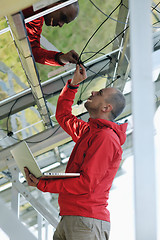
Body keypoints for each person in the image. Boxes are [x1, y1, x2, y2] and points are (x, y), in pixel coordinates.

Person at [24, 64, 128, 240]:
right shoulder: (90, 132)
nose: (93, 93)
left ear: (106, 108)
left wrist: (44, 184)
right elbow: (63, 116)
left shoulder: (106, 139)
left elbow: (86, 183)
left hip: (86, 221)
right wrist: (73, 85)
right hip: (73, 218)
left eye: (100, 93)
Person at [22, 1, 79, 66]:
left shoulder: (36, 20)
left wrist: (61, 58)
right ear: (56, 3)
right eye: (63, 17)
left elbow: (32, 50)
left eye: (64, 22)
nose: (60, 25)